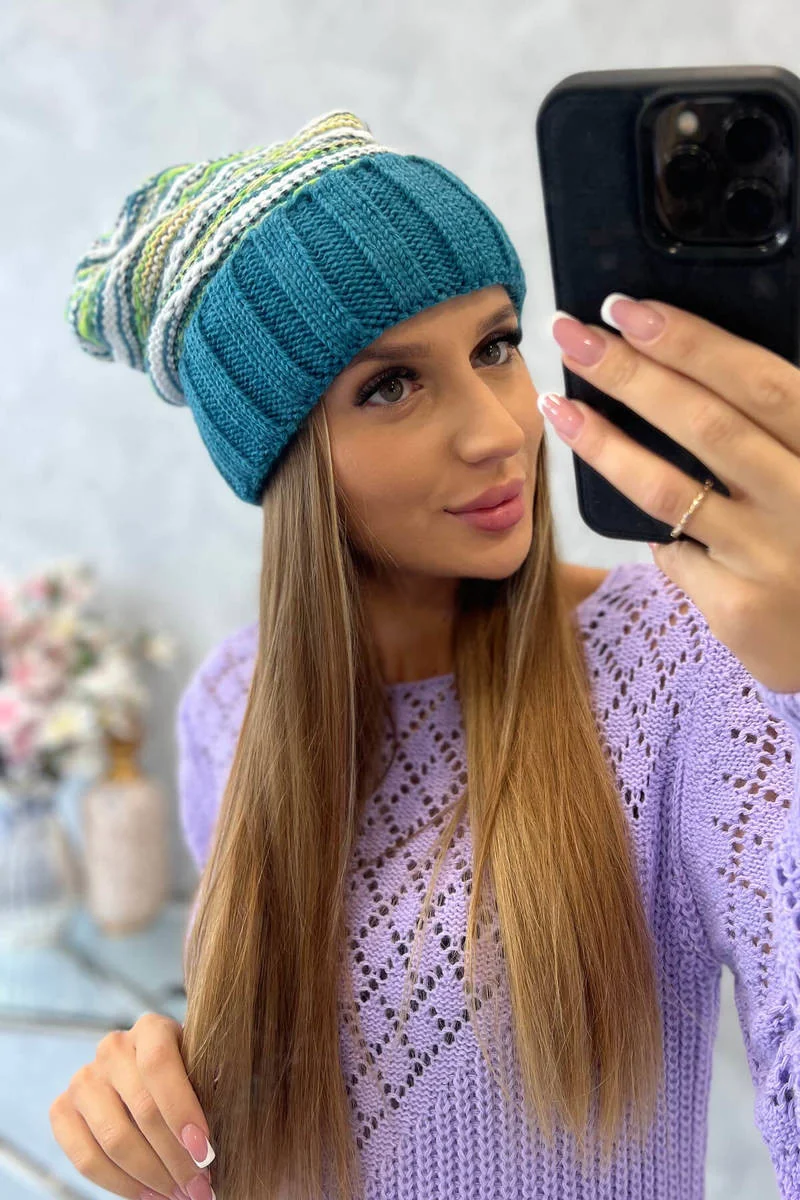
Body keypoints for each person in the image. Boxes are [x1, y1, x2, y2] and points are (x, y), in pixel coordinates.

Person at [50, 110, 800, 1200]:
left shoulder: (684, 662)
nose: (498, 428)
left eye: (495, 346)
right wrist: (151, 1082)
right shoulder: (228, 703)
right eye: (390, 386)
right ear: (287, 463)